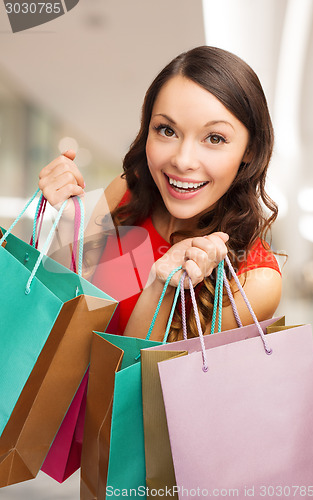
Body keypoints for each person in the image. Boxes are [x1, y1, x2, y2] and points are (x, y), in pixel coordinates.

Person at [38, 46, 282, 342]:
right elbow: (65, 312)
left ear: (250, 150)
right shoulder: (127, 191)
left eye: (214, 138)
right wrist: (65, 217)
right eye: (167, 130)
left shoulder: (254, 280)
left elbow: (146, 384)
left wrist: (162, 289)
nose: (182, 160)